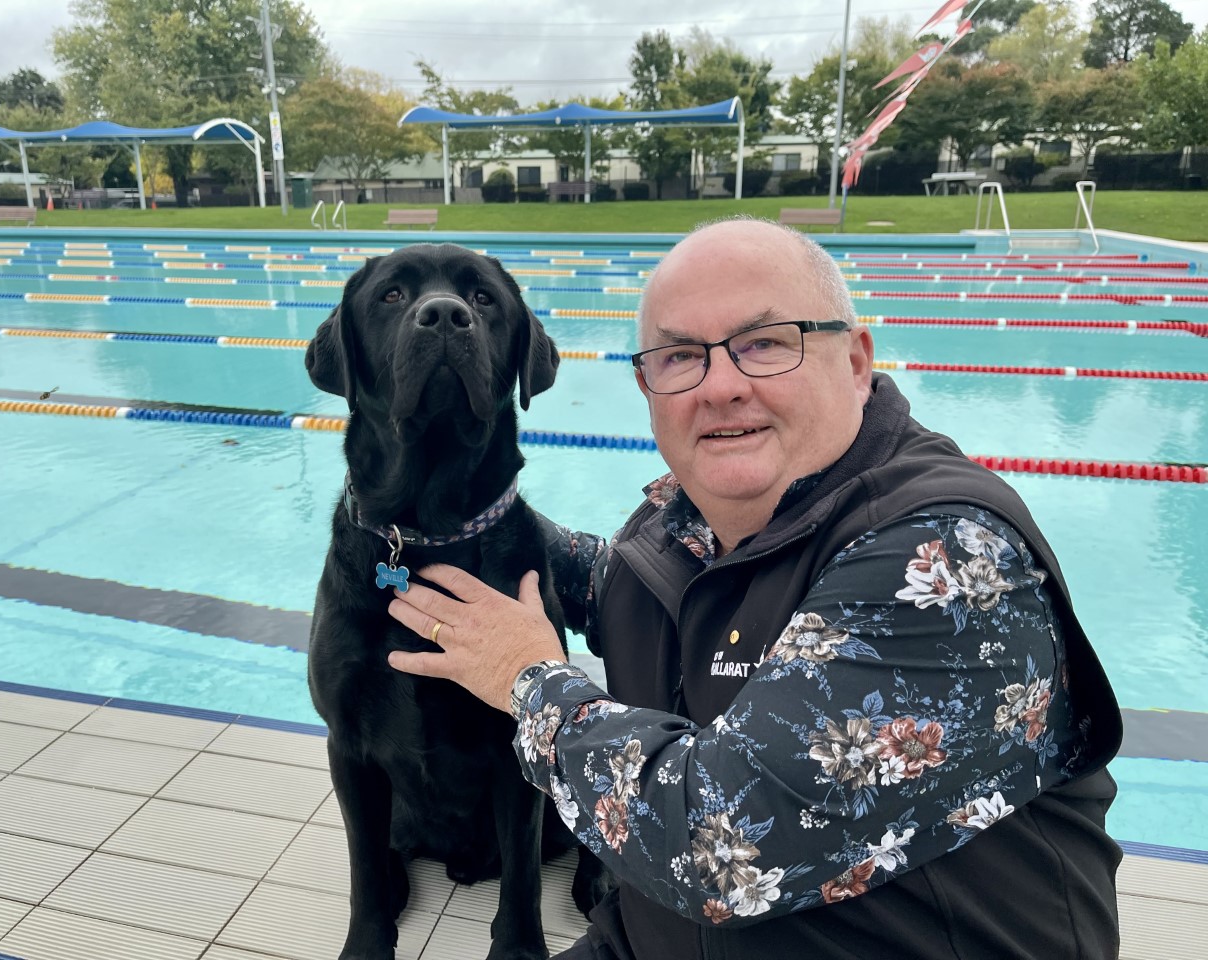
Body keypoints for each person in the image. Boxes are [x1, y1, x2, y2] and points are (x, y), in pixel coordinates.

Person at [387, 217, 1123, 960]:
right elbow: (620, 586)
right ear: (647, 385)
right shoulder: (689, 520)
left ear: (857, 361)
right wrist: (436, 514)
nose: (722, 387)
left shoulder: (945, 560)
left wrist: (527, 681)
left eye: (766, 343)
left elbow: (719, 850)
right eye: (681, 356)